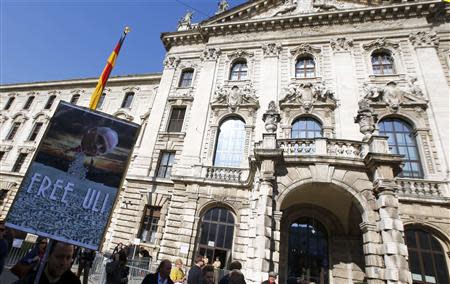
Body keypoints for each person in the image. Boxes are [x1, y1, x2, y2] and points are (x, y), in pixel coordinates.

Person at [13, 241, 80, 284]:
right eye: (59, 257)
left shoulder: (74, 281)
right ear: (47, 256)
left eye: (68, 258)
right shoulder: (31, 280)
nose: (64, 263)